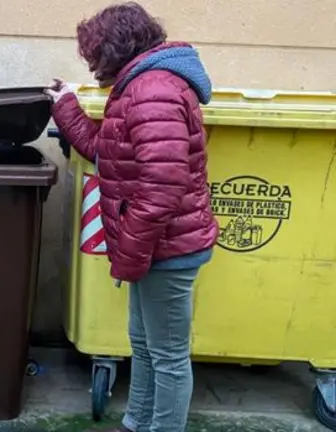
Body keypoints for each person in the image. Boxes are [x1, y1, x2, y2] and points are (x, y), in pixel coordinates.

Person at [46, 2, 218, 431]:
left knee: (169, 357)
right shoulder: (139, 85)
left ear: (115, 48)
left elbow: (162, 189)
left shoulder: (152, 91)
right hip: (154, 244)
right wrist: (67, 104)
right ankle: (136, 422)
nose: (92, 66)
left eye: (94, 56)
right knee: (143, 345)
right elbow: (107, 151)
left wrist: (129, 256)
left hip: (167, 247)